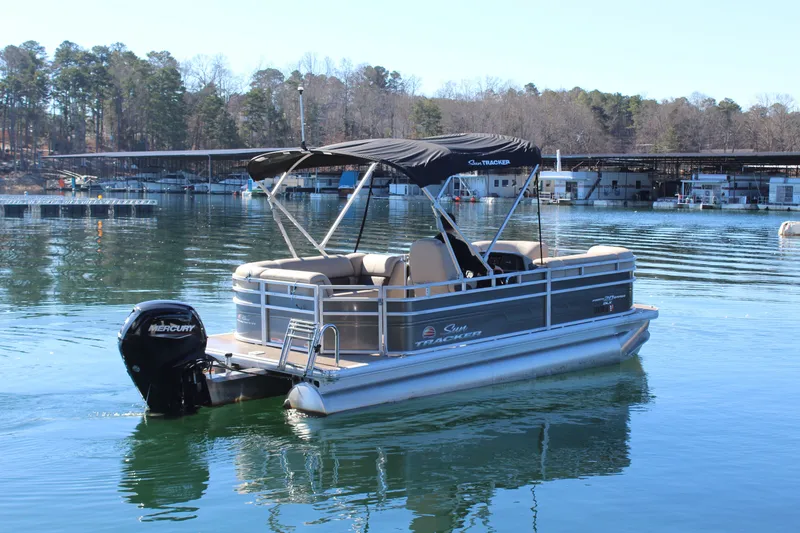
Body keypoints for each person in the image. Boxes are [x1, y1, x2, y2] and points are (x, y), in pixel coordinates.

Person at [434, 212, 489, 278]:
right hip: (453, 285)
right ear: (454, 226)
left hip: (429, 284)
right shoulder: (459, 245)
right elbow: (471, 265)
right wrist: (492, 267)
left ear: (439, 226)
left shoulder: (431, 245)